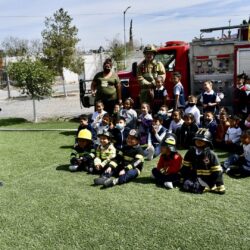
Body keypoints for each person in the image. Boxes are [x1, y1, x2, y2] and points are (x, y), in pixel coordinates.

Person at [180, 128, 225, 194]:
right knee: (186, 186)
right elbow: (185, 167)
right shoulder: (191, 151)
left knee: (196, 188)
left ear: (207, 142)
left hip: (207, 179)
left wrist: (220, 186)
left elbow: (217, 171)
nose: (198, 141)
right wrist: (182, 179)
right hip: (194, 176)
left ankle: (211, 186)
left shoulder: (211, 154)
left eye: (201, 140)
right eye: (197, 139)